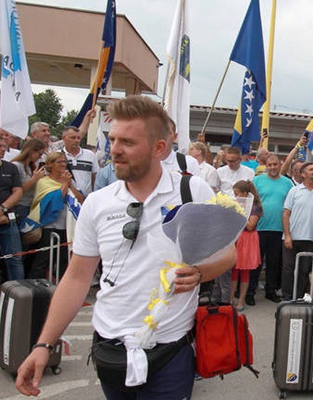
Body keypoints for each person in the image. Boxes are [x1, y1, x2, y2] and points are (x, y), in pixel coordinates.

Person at [15, 95, 236, 398]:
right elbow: (78, 278)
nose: (115, 150)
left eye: (127, 142)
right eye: (113, 139)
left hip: (171, 349)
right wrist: (43, 345)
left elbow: (228, 253)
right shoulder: (97, 203)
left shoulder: (192, 190)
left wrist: (200, 272)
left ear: (160, 148)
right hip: (110, 347)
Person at [27, 152, 85, 280]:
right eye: (59, 162)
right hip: (49, 225)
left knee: (63, 261)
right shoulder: (43, 181)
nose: (63, 165)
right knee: (43, 259)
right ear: (50, 164)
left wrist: (69, 184)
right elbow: (55, 201)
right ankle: (36, 287)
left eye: (64, 162)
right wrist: (64, 185)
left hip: (66, 226)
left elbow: (80, 199)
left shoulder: (69, 180)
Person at [0, 132, 25, 318]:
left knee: (14, 258)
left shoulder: (10, 168)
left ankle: (20, 298)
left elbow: (18, 191)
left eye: (4, 146)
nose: (4, 149)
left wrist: (2, 209)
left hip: (7, 218)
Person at [249, 154, 293, 305]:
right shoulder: (257, 181)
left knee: (274, 263)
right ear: (266, 165)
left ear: (280, 164)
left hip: (279, 229)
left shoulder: (288, 183)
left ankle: (270, 291)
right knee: (256, 263)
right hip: (259, 227)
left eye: (275, 164)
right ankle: (250, 291)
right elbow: (250, 201)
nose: (273, 167)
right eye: (270, 165)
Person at [282, 162, 313, 300]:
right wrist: (287, 235)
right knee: (288, 269)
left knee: (304, 271)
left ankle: (298, 298)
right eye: (311, 169)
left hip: (311, 238)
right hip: (292, 237)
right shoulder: (294, 191)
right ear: (303, 174)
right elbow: (286, 213)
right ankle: (287, 298)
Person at [231, 180, 263, 311]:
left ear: (245, 194)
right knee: (234, 270)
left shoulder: (254, 207)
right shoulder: (237, 204)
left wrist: (239, 213)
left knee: (244, 271)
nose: (235, 197)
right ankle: (230, 298)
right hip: (237, 237)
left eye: (237, 194)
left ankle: (241, 300)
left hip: (248, 239)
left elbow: (250, 226)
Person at [10, 139, 47, 228]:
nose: (40, 157)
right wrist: (33, 179)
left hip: (30, 205)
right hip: (20, 206)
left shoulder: (31, 167)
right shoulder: (16, 166)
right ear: (31, 152)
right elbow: (17, 190)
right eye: (39, 154)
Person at [62, 126, 99, 197]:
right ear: (64, 138)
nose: (76, 140)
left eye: (78, 138)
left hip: (85, 200)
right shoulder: (58, 155)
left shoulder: (90, 155)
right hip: (65, 199)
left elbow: (95, 177)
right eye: (73, 138)